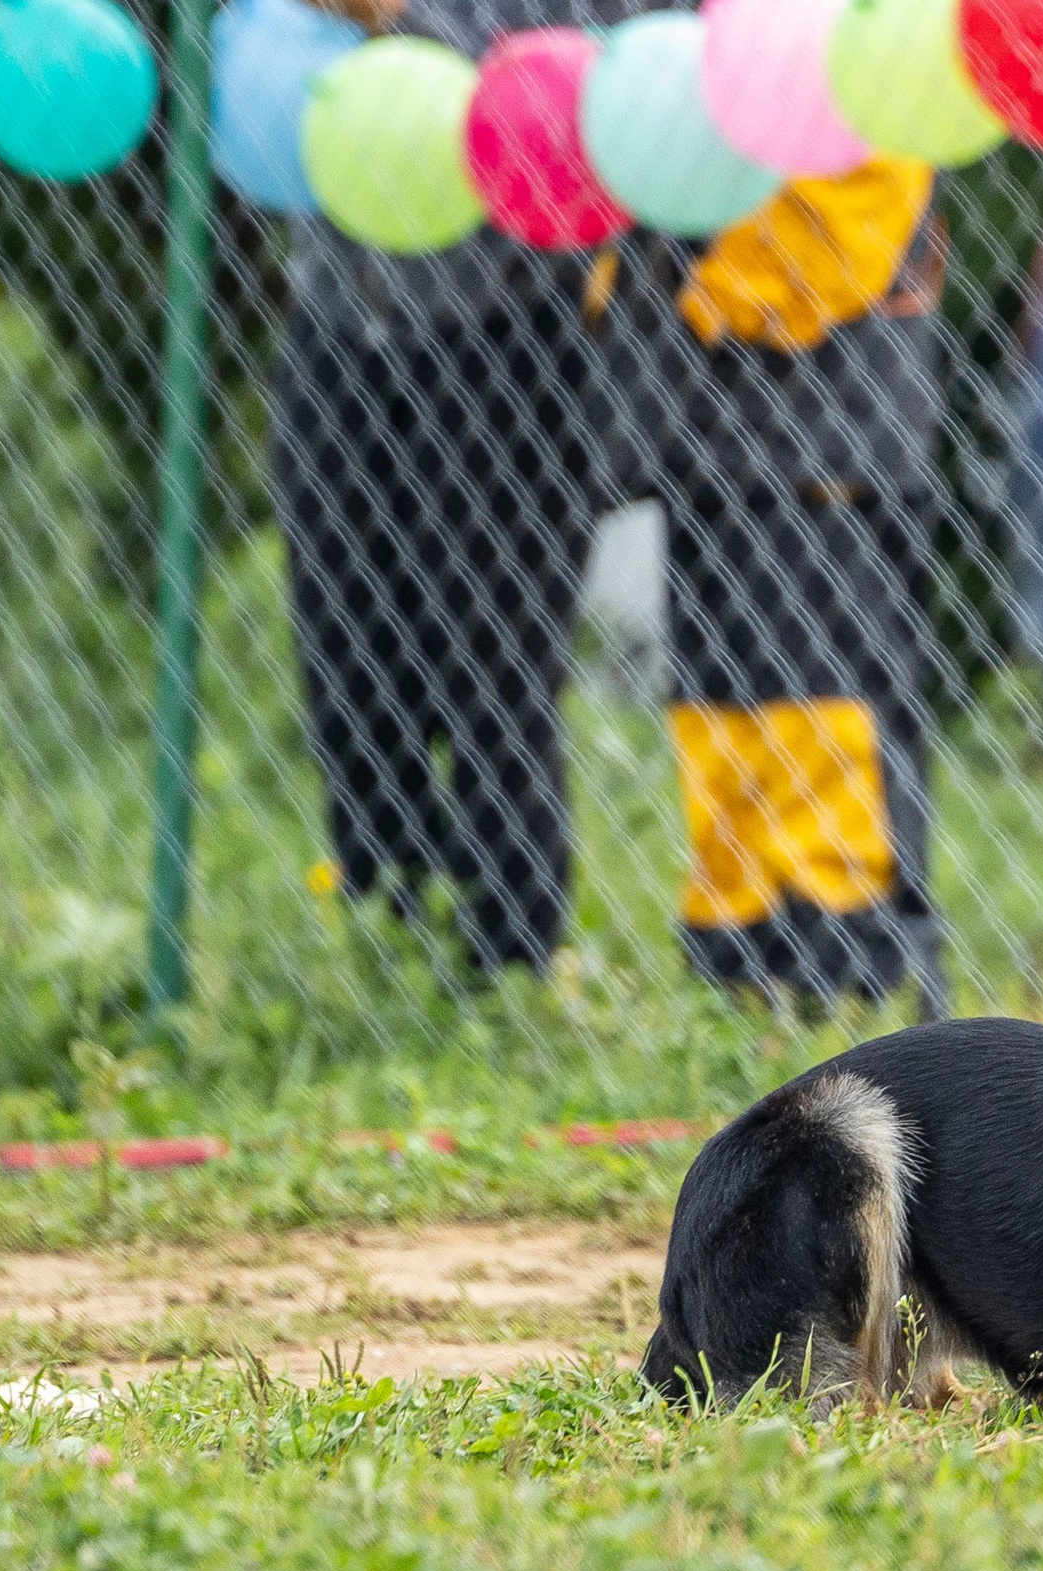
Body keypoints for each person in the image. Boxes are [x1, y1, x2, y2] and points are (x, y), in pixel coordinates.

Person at [276, 0, 634, 972]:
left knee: (495, 660)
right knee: (345, 644)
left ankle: (509, 956)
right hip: (339, 318)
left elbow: (589, 73)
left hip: (505, 327)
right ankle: (382, 924)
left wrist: (408, 21)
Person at [595, 160, 951, 1011]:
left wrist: (701, 284)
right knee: (722, 711)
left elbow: (845, 232)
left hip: (827, 427)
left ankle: (851, 975)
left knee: (824, 711)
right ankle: (740, 967)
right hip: (711, 426)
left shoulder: (860, 78)